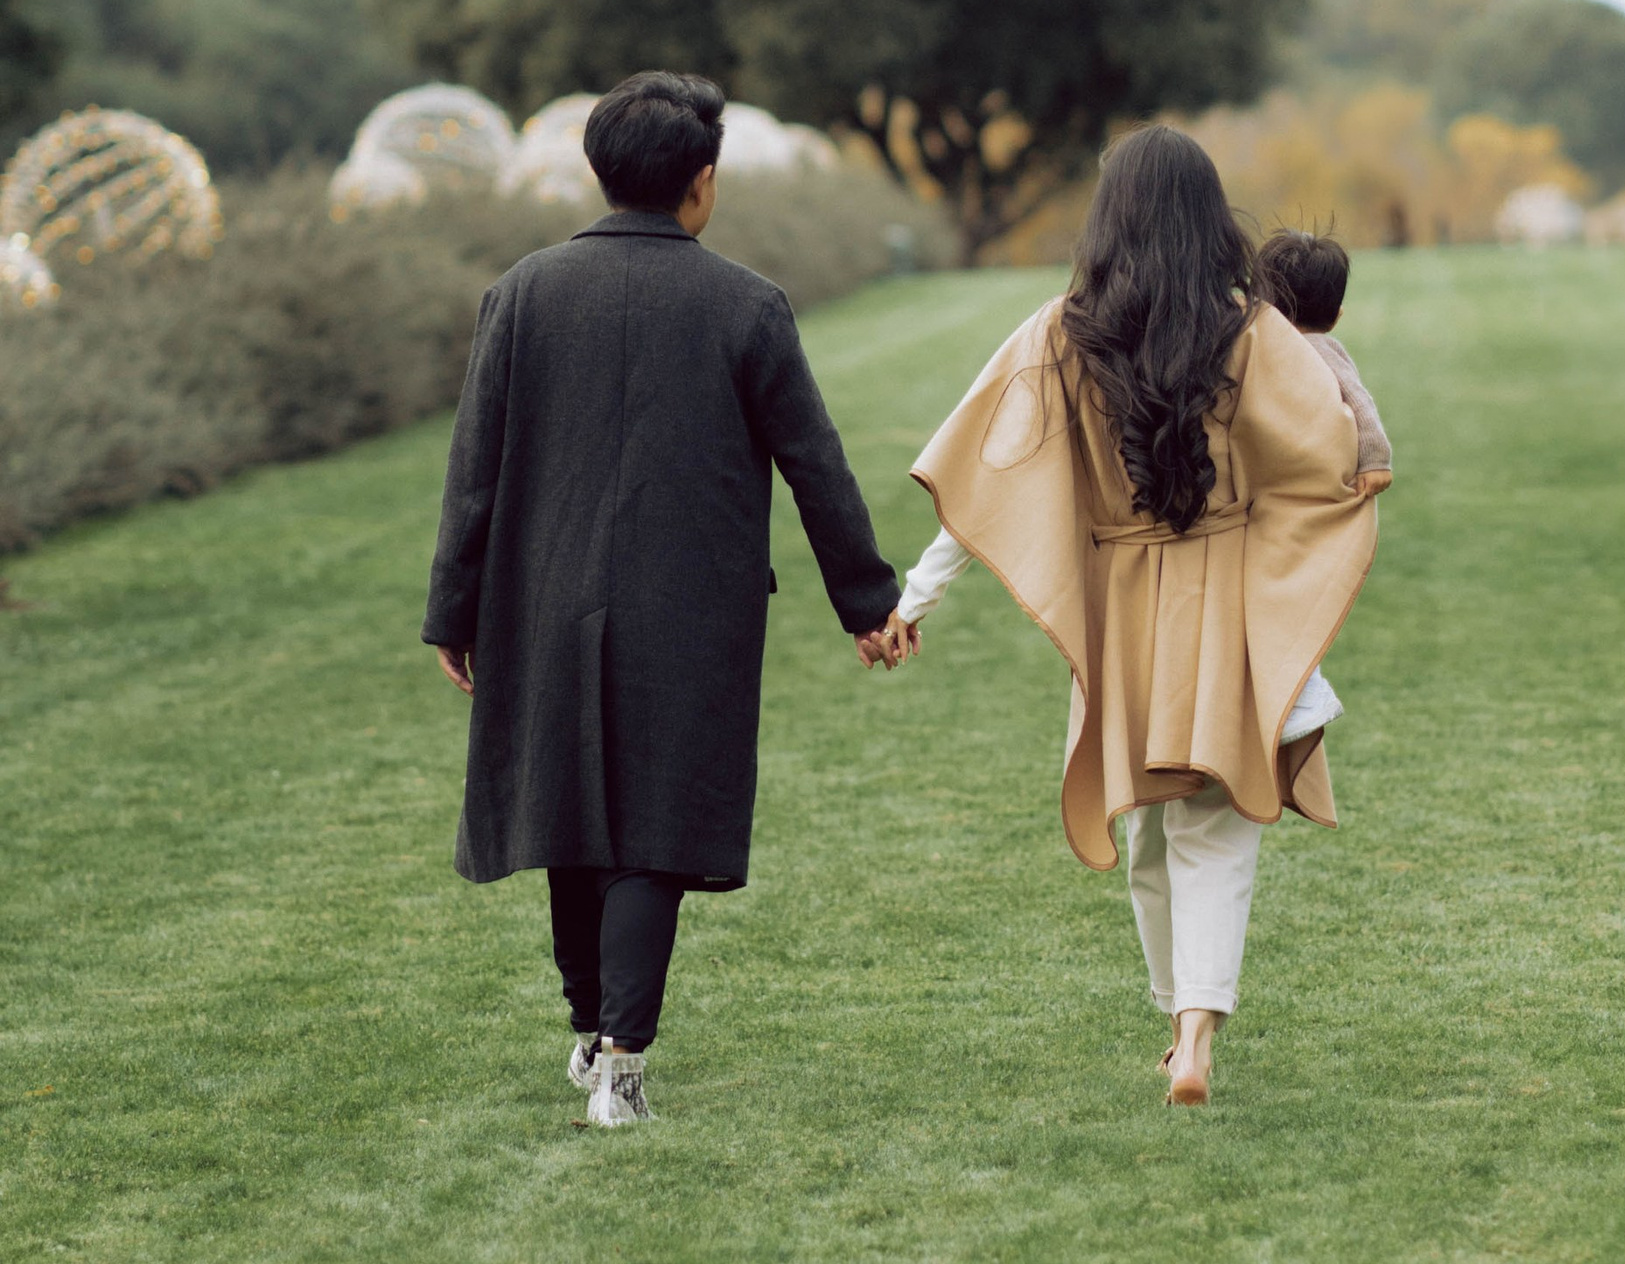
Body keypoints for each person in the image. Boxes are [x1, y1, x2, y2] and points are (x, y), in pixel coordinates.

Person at [420, 69, 904, 1126]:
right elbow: (813, 463)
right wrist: (868, 602)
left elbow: (474, 472)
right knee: (651, 829)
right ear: (702, 181)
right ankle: (620, 1063)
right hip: (692, 608)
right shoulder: (746, 304)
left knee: (570, 816)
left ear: (601, 172)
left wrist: (453, 610)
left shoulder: (521, 294)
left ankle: (594, 1033)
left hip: (544, 597)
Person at [883, 125, 1376, 1107]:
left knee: (1147, 825)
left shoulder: (1058, 334)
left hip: (1124, 614)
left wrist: (913, 596)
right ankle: (1194, 1030)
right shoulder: (1252, 331)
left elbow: (990, 472)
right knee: (1213, 825)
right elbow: (1331, 452)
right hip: (1225, 603)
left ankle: (1176, 1022)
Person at [1254, 230, 1394, 484]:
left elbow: (1358, 401)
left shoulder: (1319, 351)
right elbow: (1360, 402)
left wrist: (1375, 461)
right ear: (1336, 317)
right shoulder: (1262, 348)